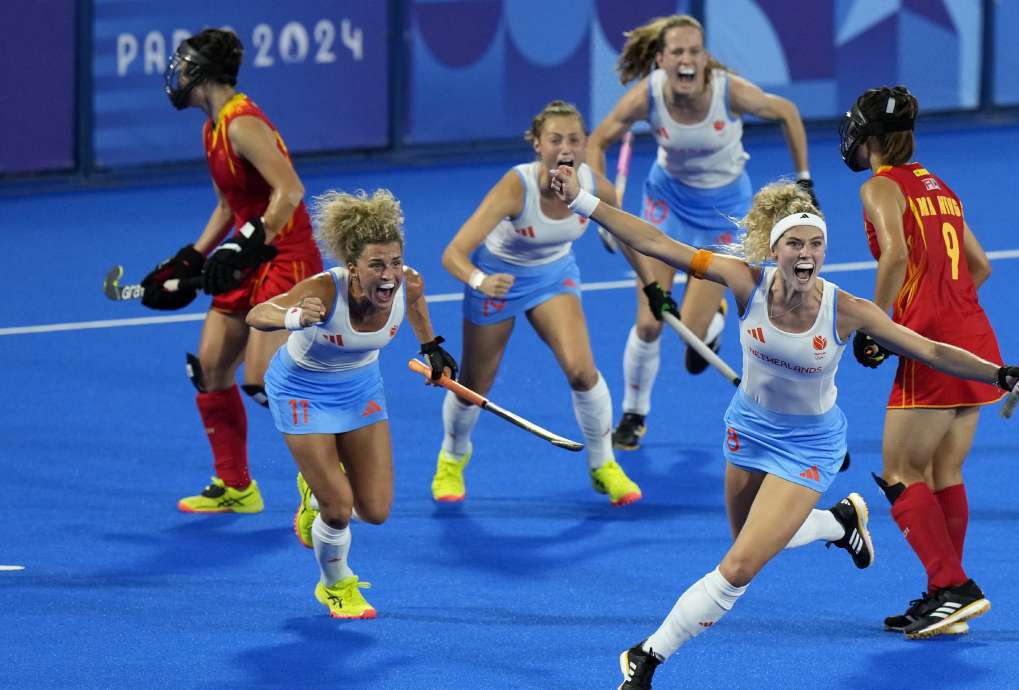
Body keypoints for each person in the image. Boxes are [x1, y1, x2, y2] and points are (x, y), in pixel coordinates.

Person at [549, 167, 1019, 686]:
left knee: (739, 566)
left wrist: (1000, 373)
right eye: (794, 244)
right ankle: (839, 523)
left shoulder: (846, 310)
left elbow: (930, 351)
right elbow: (656, 242)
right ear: (775, 249)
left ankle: (648, 656)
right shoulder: (744, 281)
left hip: (809, 447)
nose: (806, 254)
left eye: (815, 244)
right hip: (748, 431)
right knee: (751, 537)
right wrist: (582, 200)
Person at [840, 86, 1019, 638]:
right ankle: (942, 597)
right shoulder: (940, 188)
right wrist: (947, 305)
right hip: (976, 341)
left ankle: (953, 587)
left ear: (869, 138)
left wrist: (879, 325)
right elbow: (980, 266)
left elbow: (896, 255)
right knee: (943, 473)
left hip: (931, 347)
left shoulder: (879, 186)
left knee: (900, 473)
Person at [586, 14, 815, 451]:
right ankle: (634, 415)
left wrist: (803, 179)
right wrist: (605, 203)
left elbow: (786, 112)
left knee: (689, 332)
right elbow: (597, 142)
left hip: (724, 216)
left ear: (705, 58)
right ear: (661, 59)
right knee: (650, 322)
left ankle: (711, 319)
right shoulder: (647, 95)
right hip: (666, 206)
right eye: (678, 52)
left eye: (695, 51)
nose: (687, 60)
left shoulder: (730, 92)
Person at [247, 188, 457, 618]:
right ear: (352, 267)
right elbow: (257, 314)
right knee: (339, 508)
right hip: (302, 390)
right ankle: (335, 585)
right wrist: (292, 317)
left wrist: (431, 346)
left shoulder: (409, 283)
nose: (389, 275)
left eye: (395, 262)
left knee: (375, 511)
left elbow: (415, 302)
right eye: (376, 265)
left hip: (360, 388)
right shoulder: (324, 290)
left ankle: (314, 492)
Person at [140, 28, 325, 513]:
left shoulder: (243, 124)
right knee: (211, 369)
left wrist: (245, 244)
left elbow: (290, 191)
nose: (177, 75)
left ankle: (327, 475)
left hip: (284, 254)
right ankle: (237, 487)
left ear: (202, 73)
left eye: (184, 67)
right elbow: (229, 205)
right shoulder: (213, 129)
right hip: (250, 252)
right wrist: (190, 257)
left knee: (263, 379)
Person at [431, 100, 646, 506]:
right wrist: (481, 281)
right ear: (537, 145)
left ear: (585, 145)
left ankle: (603, 464)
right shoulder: (517, 186)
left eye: (575, 140)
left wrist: (651, 288)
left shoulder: (595, 185)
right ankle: (452, 458)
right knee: (473, 384)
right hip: (497, 278)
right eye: (555, 140)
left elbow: (631, 237)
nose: (566, 148)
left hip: (553, 275)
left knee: (582, 372)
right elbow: (453, 253)